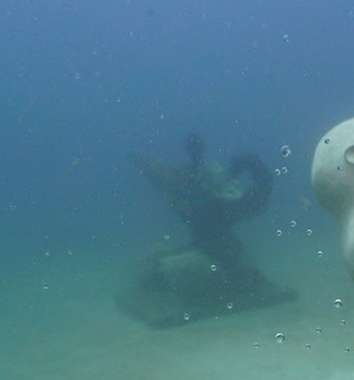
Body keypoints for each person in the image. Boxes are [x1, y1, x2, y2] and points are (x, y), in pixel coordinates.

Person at [119, 132, 293, 328]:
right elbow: (168, 179)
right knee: (237, 271)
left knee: (240, 270)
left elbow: (177, 182)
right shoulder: (192, 178)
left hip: (211, 224)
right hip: (208, 224)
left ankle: (222, 261)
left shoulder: (205, 176)